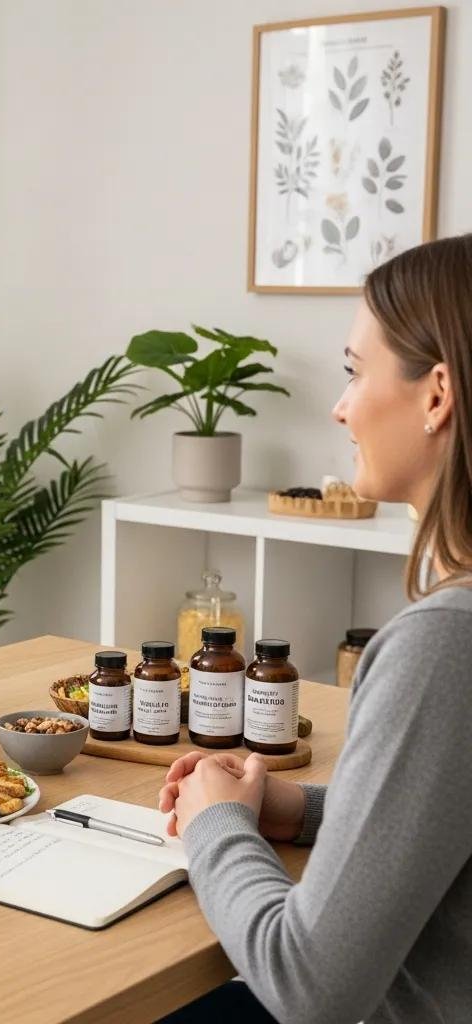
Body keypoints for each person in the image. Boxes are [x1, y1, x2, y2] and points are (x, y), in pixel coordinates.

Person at [157, 234, 472, 1023]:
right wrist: (301, 809)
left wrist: (215, 827)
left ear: (437, 395)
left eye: (354, 371)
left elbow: (311, 988)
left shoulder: (444, 647)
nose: (340, 406)